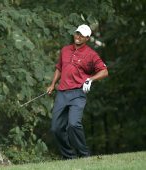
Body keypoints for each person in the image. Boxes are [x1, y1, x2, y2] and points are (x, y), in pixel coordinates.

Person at [46, 24, 108, 159]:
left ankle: (84, 155)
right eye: (77, 33)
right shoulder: (65, 50)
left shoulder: (91, 54)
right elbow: (59, 68)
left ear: (87, 38)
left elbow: (104, 71)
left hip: (78, 94)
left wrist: (90, 79)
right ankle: (69, 157)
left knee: (73, 124)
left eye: (82, 35)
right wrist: (52, 85)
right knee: (56, 128)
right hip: (62, 93)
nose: (78, 37)